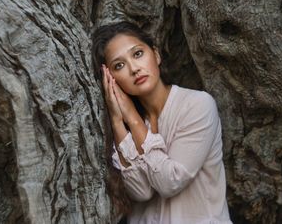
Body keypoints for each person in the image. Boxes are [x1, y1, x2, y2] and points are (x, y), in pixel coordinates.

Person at [91, 21, 232, 224]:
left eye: (138, 54)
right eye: (119, 65)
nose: (134, 69)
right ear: (110, 80)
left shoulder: (197, 105)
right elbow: (141, 192)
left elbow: (169, 182)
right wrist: (117, 121)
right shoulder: (122, 129)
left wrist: (131, 117)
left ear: (155, 55)